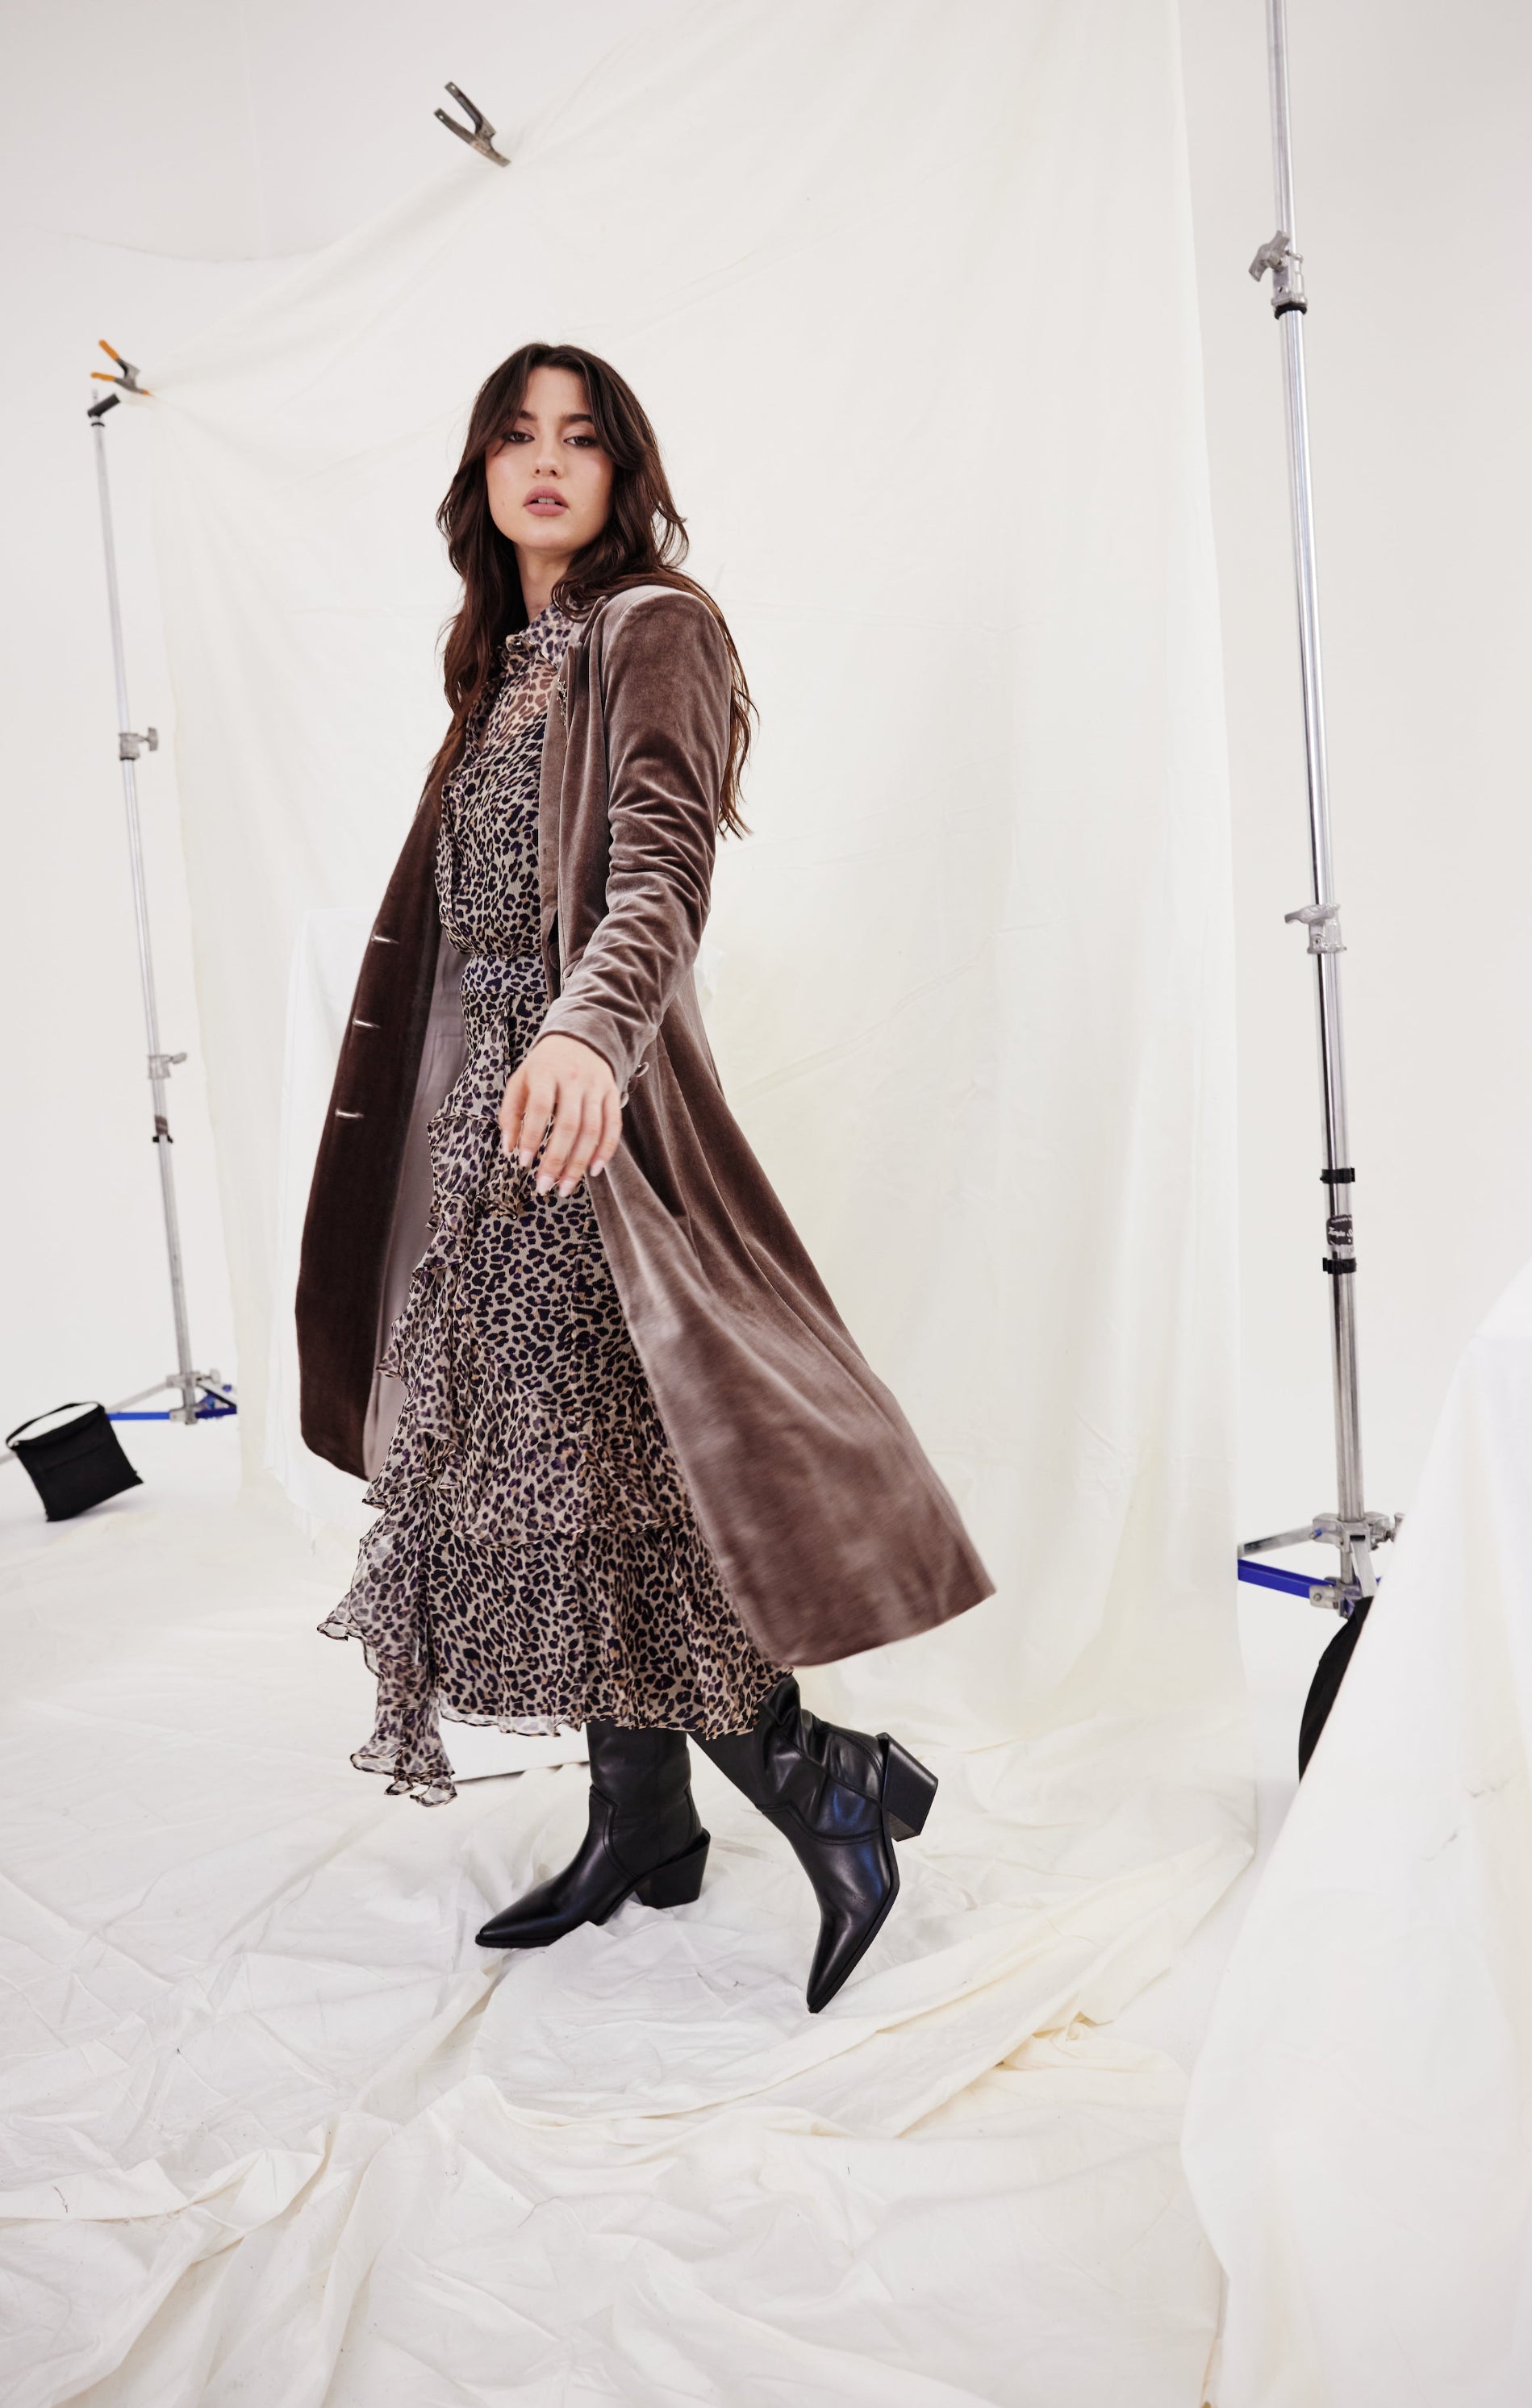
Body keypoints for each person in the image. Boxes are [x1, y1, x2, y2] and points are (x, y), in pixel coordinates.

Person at [296, 342, 993, 2013]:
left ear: (622, 473)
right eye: (516, 435)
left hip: (579, 1128)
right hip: (491, 1152)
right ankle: (643, 1818)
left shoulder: (652, 627)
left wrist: (589, 1037)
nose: (546, 461)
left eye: (582, 438)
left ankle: (831, 1789)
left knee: (615, 1481)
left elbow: (660, 866)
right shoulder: (500, 664)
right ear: (481, 471)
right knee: (583, 1485)